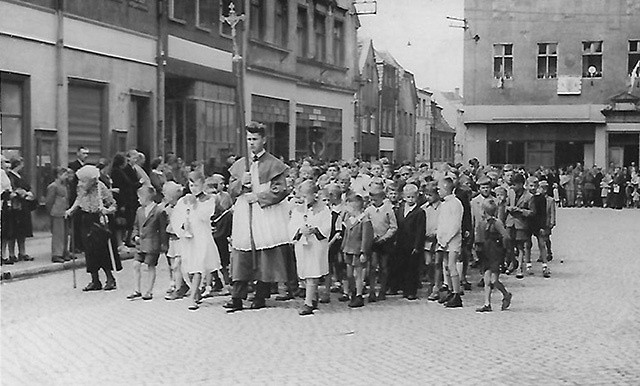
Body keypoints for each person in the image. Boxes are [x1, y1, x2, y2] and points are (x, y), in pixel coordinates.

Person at [224, 122, 294, 313]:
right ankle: (237, 296)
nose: (251, 143)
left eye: (255, 139)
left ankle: (261, 294)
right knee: (241, 251)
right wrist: (241, 182)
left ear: (264, 140)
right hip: (244, 211)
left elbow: (280, 190)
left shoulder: (273, 164)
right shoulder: (239, 165)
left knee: (264, 251)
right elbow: (230, 190)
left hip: (264, 211)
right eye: (248, 139)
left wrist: (259, 196)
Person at [171, 169, 222, 310]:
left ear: (203, 184)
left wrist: (195, 205)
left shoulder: (209, 199)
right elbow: (176, 217)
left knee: (198, 266)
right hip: (188, 238)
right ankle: (196, 291)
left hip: (201, 237)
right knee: (188, 267)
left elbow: (206, 216)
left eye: (197, 185)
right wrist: (182, 225)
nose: (194, 189)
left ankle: (192, 298)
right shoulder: (183, 200)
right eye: (191, 185)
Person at [66, 165, 120, 291]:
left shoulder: (100, 187)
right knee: (89, 251)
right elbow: (79, 200)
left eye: (83, 180)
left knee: (102, 250)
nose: (80, 183)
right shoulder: (80, 188)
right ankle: (95, 280)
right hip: (86, 219)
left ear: (91, 180)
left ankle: (110, 278)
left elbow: (113, 205)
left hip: (99, 219)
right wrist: (71, 210)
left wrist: (106, 210)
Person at [290, 181, 331, 316]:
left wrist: (315, 230)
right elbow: (292, 226)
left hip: (316, 245)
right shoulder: (297, 210)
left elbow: (326, 226)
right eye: (300, 196)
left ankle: (308, 303)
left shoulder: (324, 209)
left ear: (314, 195)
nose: (302, 199)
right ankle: (313, 297)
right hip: (302, 244)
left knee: (312, 272)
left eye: (305, 196)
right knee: (304, 273)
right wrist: (300, 230)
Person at [127, 185, 167, 301]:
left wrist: (163, 244)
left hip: (153, 243)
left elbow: (162, 229)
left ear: (146, 197)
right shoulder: (139, 211)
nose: (138, 200)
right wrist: (135, 236)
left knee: (150, 266)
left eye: (139, 197)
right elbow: (135, 226)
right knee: (136, 264)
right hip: (141, 243)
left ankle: (149, 291)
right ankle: (137, 289)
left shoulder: (159, 211)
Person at [476, 199, 513, 312]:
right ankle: (487, 303)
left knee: (494, 280)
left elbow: (506, 236)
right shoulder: (482, 223)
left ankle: (506, 294)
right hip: (486, 253)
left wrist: (505, 250)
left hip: (496, 253)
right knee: (487, 280)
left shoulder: (496, 223)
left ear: (484, 211)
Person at [364, 184, 397, 302]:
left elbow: (393, 227)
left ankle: (383, 290)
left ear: (382, 198)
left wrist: (384, 237)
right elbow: (366, 225)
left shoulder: (388, 210)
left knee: (384, 267)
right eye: (372, 199)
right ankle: (372, 290)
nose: (373, 201)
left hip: (384, 242)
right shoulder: (368, 210)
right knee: (372, 267)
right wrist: (371, 237)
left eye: (376, 199)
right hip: (373, 242)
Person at [339, 193, 373, 308]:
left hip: (358, 251)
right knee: (349, 274)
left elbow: (366, 237)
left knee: (358, 274)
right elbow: (346, 236)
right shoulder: (349, 220)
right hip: (348, 250)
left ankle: (359, 294)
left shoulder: (364, 220)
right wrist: (343, 248)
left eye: (348, 207)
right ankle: (353, 291)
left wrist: (364, 251)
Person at [394, 183, 426, 300]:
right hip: (402, 243)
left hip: (413, 244)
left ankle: (412, 290)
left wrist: (417, 246)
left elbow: (420, 231)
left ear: (417, 197)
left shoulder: (419, 212)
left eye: (412, 197)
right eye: (408, 197)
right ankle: (404, 289)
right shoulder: (400, 210)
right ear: (403, 197)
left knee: (412, 268)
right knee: (403, 266)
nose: (410, 199)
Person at [436, 177, 464, 308]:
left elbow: (455, 225)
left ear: (446, 188)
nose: (438, 191)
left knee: (452, 266)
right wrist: (440, 238)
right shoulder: (444, 204)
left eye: (440, 188)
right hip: (443, 240)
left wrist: (447, 239)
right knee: (446, 266)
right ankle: (450, 291)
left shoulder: (456, 203)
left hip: (452, 240)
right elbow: (442, 223)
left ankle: (457, 294)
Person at [6, 157, 36, 262]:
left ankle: (22, 252)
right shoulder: (10, 176)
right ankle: (11, 253)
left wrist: (29, 193)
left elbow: (27, 187)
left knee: (22, 231)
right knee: (13, 231)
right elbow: (12, 190)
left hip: (24, 206)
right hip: (15, 207)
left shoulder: (21, 176)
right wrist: (21, 193)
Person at [505, 173, 534, 279]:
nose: (513, 187)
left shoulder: (529, 196)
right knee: (508, 244)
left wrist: (520, 211)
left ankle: (520, 268)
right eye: (512, 184)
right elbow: (505, 205)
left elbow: (532, 212)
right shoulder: (510, 193)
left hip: (521, 223)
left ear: (521, 184)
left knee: (520, 246)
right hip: (510, 222)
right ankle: (513, 262)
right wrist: (508, 208)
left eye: (515, 184)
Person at [46, 167, 71, 263]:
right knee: (58, 234)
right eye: (64, 174)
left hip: (64, 211)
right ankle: (57, 253)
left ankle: (64, 251)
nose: (66, 177)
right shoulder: (53, 186)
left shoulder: (64, 186)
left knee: (65, 233)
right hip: (56, 212)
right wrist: (51, 211)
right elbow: (49, 200)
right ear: (58, 175)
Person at [68, 146, 90, 252]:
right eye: (83, 153)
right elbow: (72, 183)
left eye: (86, 154)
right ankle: (74, 245)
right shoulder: (73, 166)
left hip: (84, 198)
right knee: (75, 224)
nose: (85, 155)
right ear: (78, 154)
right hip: (76, 197)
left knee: (82, 223)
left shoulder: (86, 166)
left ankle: (81, 244)